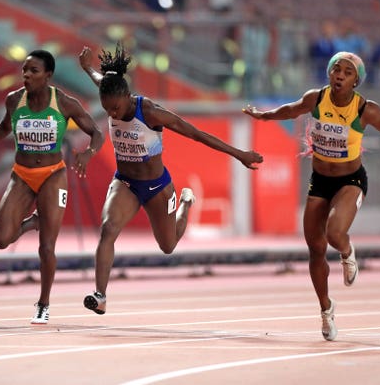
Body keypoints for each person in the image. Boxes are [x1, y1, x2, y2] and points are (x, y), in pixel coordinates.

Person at [242, 51, 380, 341]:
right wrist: (263, 116)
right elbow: (290, 110)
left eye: (347, 72)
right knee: (315, 249)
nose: (339, 75)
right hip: (319, 181)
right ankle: (326, 311)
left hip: (350, 180)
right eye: (336, 69)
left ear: (356, 81)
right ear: (329, 73)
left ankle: (347, 251)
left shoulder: (366, 109)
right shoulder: (316, 99)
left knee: (334, 232)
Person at [78, 43, 263, 315]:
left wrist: (239, 154)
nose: (113, 115)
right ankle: (101, 295)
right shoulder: (110, 91)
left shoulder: (150, 112)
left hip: (157, 188)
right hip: (126, 183)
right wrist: (87, 68)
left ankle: (186, 203)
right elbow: (101, 80)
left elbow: (196, 133)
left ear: (128, 96)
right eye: (107, 111)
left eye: (116, 109)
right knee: (108, 229)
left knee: (168, 245)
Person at [0, 50, 104, 325]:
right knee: (1, 239)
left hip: (53, 175)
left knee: (46, 247)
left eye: (33, 71)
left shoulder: (63, 102)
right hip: (22, 175)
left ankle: (43, 304)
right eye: (24, 70)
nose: (26, 75)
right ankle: (32, 222)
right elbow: (4, 127)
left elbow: (96, 132)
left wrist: (88, 153)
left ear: (48, 75)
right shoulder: (14, 100)